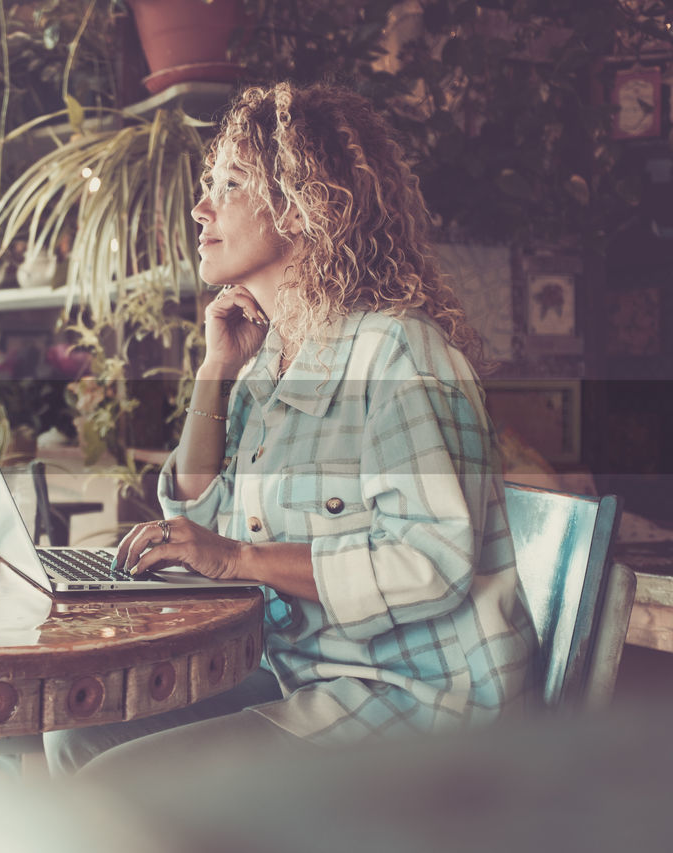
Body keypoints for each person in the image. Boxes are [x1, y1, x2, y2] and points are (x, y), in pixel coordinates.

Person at [44, 81, 537, 775]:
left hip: (422, 706)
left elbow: (430, 562)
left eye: (233, 182)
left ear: (305, 206)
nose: (202, 205)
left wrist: (239, 559)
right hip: (310, 678)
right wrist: (216, 368)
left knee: (119, 778)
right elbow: (195, 514)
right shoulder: (270, 363)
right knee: (78, 734)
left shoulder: (396, 352)